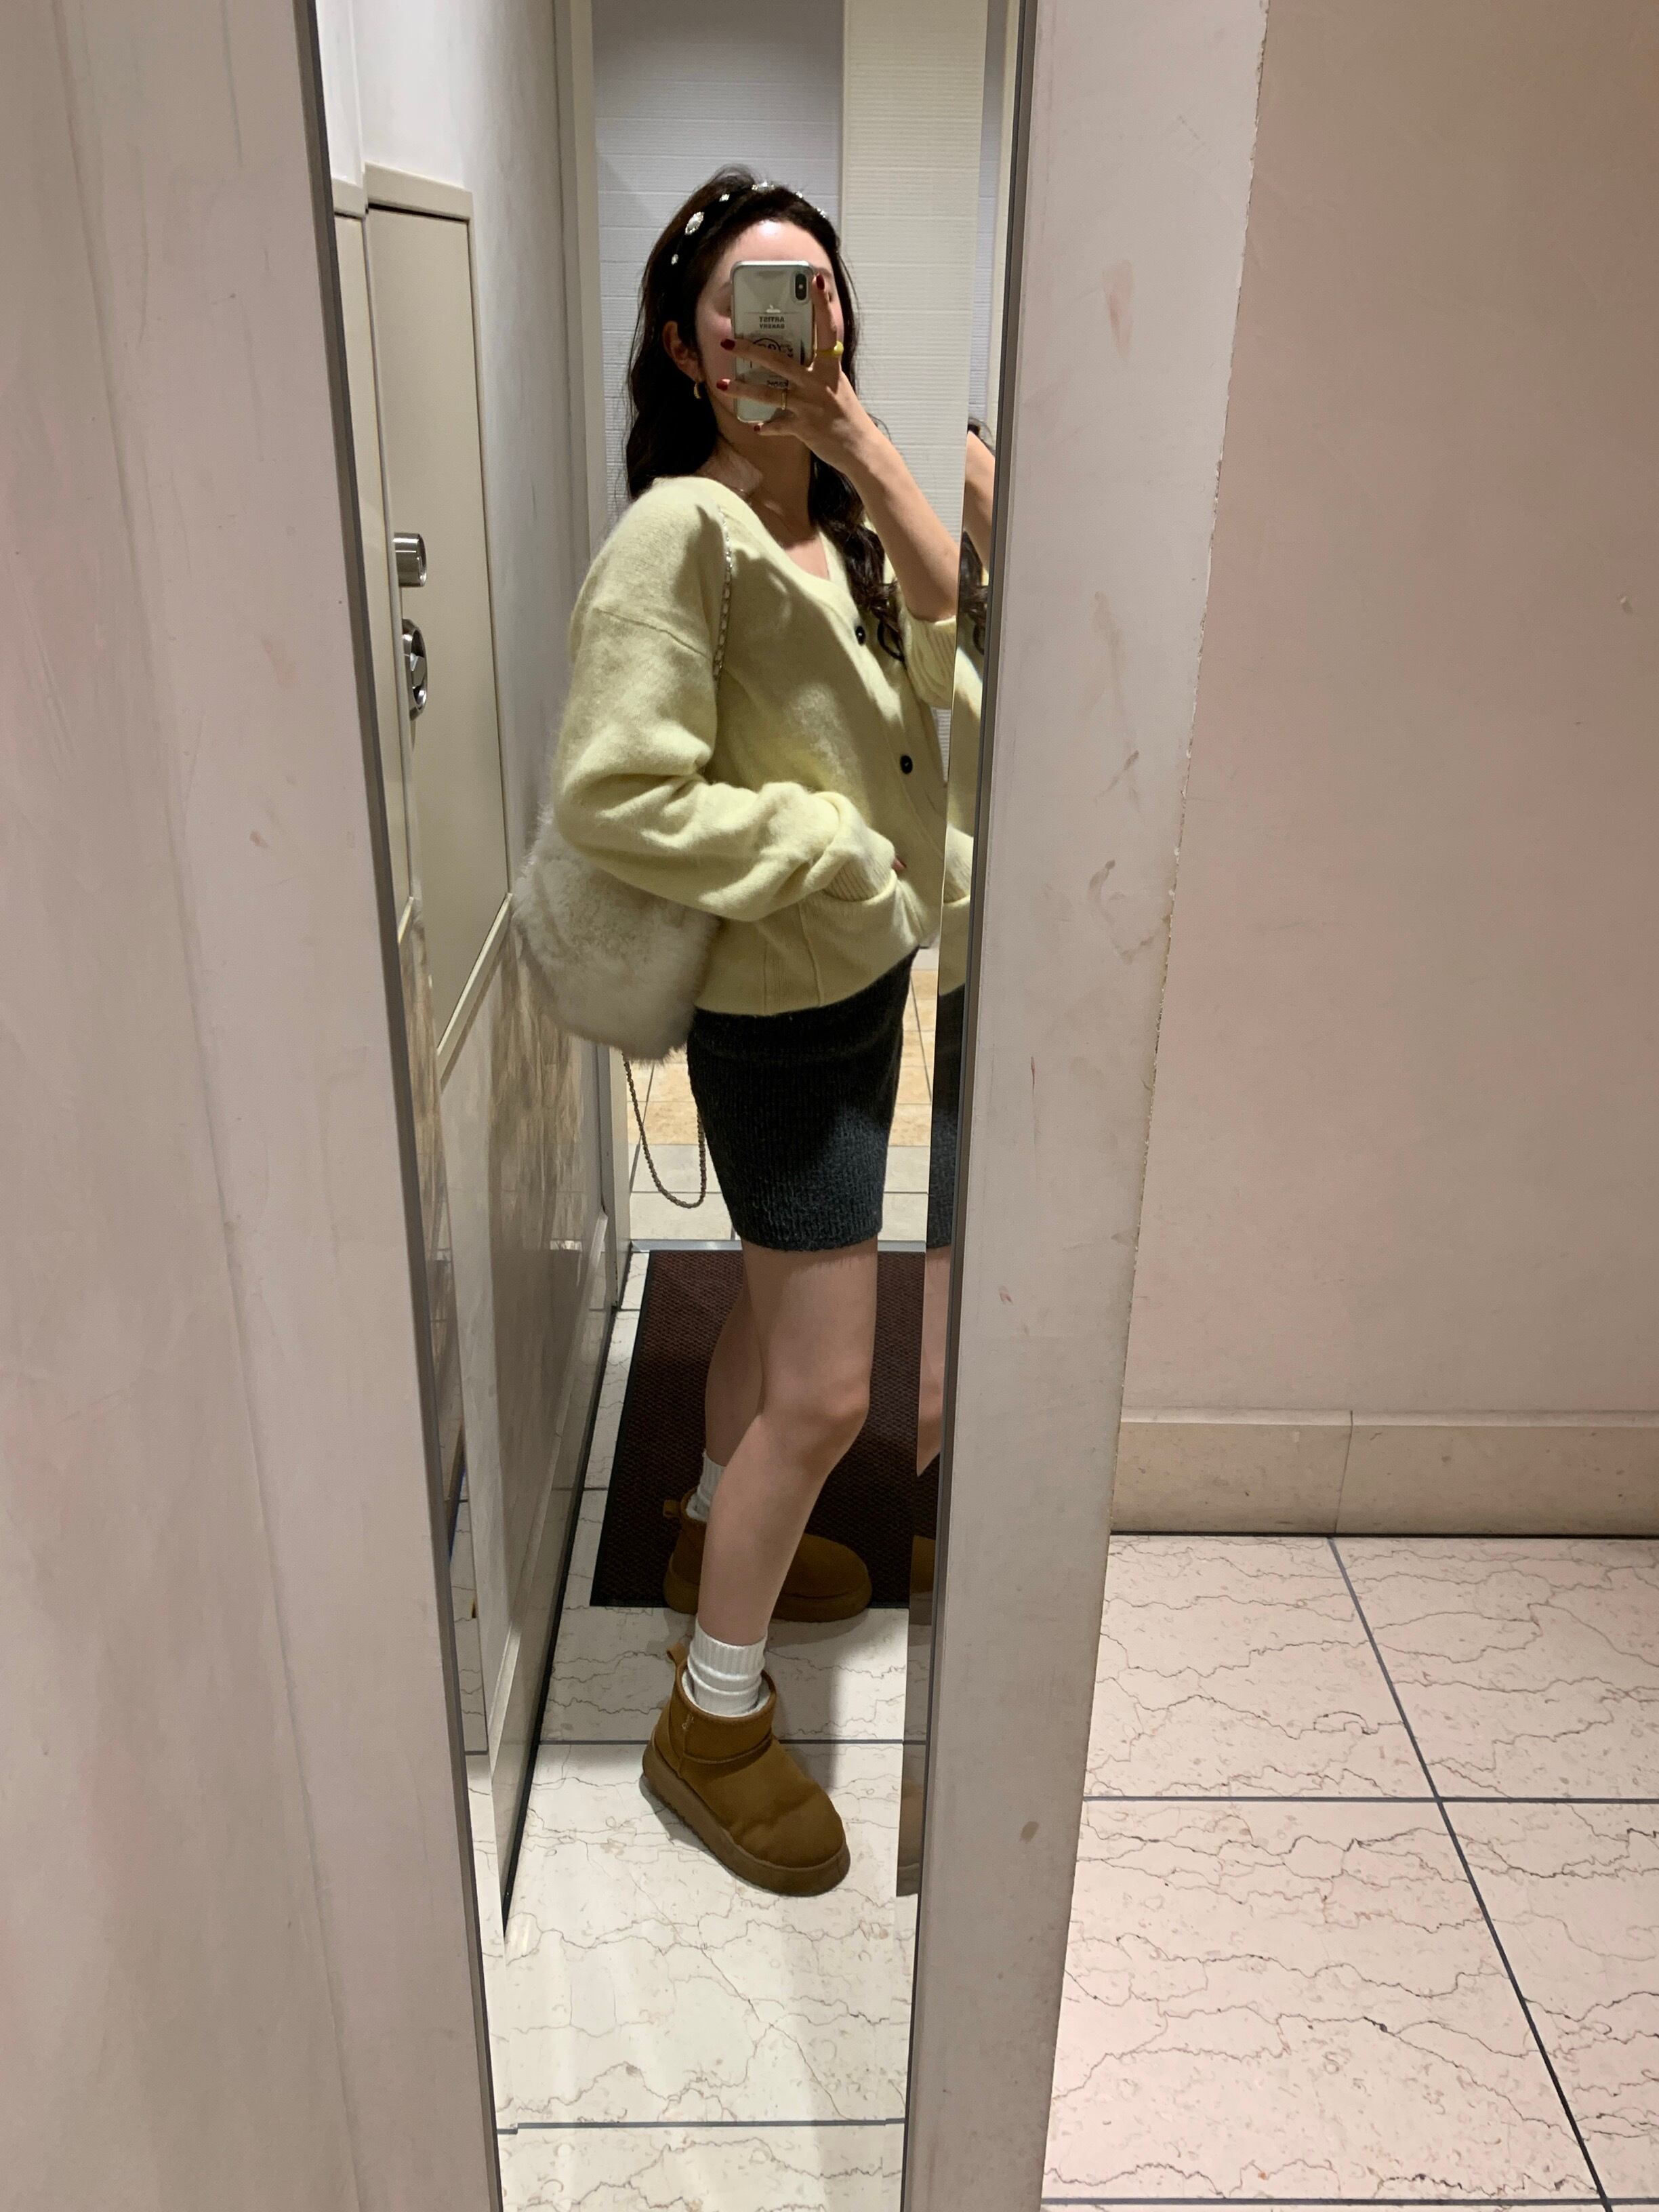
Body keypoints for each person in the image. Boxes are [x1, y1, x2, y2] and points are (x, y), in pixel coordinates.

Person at [546, 169, 959, 1895]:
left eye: (815, 297)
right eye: (746, 305)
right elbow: (613, 790)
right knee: (831, 1390)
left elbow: (947, 639)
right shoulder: (684, 535)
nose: (789, 329)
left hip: (852, 981)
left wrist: (865, 448)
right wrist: (831, 855)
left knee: (770, 1324)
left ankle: (707, 1536)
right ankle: (712, 1723)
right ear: (685, 344)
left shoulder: (834, 520)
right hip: (782, 1002)